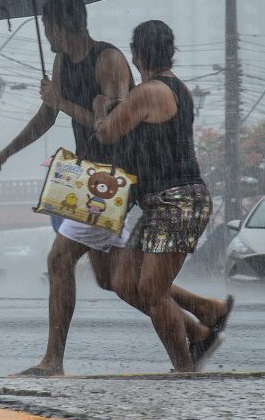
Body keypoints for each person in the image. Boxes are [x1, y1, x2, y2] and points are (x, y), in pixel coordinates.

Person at [0, 0, 135, 376]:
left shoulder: (108, 60)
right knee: (115, 279)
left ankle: (53, 360)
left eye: (46, 25)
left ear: (61, 25)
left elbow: (117, 129)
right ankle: (202, 317)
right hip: (91, 177)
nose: (45, 33)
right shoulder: (63, 61)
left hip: (114, 177)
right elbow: (47, 116)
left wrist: (62, 101)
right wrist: (6, 152)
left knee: (59, 259)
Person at [94, 20, 233, 372]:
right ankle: (204, 320)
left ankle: (184, 367)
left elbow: (107, 134)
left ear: (137, 54)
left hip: (178, 202)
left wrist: (102, 107)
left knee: (153, 292)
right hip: (162, 203)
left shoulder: (147, 92)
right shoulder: (179, 89)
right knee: (125, 283)